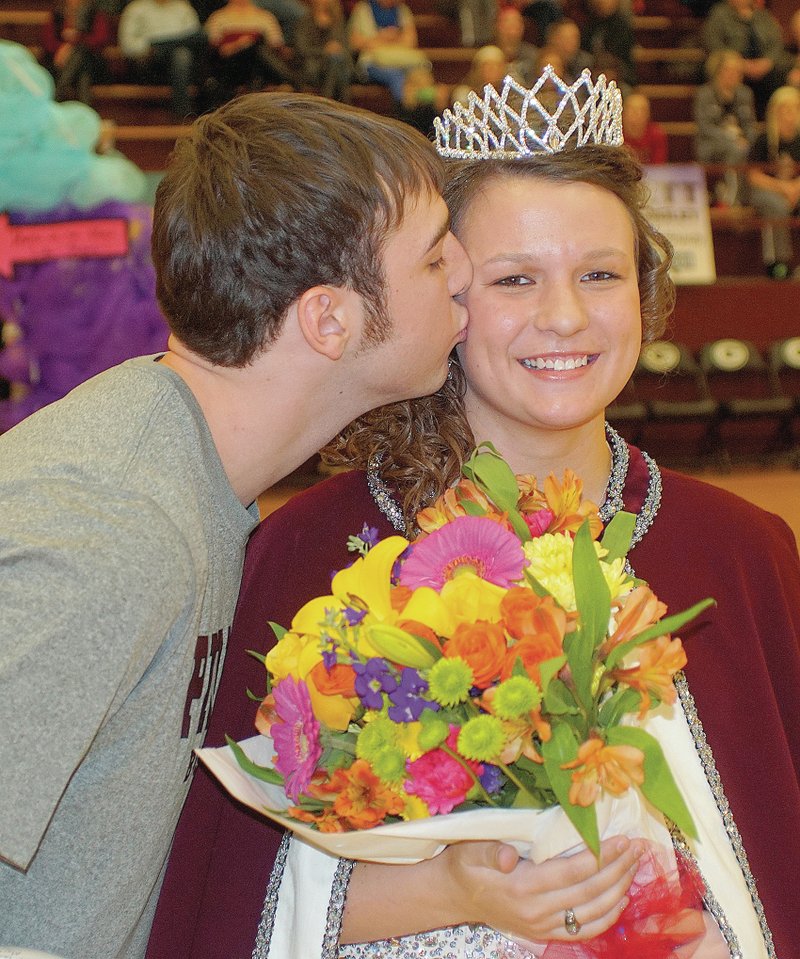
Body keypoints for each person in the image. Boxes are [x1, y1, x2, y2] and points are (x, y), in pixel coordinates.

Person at [148, 69, 799, 959]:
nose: (564, 317)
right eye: (516, 279)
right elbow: (217, 896)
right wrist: (453, 891)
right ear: (446, 302)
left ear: (644, 290)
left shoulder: (742, 556)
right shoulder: (308, 553)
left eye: (600, 273)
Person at [0, 91, 472, 959]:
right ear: (330, 319)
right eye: (436, 258)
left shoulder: (191, 472)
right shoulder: (111, 527)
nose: (467, 278)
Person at [700, 0, 792, 118]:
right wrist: (739, 63)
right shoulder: (719, 14)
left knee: (785, 71)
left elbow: (776, 43)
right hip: (733, 64)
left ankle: (776, 118)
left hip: (764, 67)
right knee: (728, 72)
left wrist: (767, 61)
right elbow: (713, 43)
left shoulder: (763, 15)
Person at [118, 0, 208, 119]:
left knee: (182, 54)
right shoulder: (136, 8)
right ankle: (183, 112)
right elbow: (127, 45)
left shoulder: (183, 8)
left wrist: (162, 45)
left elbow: (195, 40)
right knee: (178, 53)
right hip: (147, 65)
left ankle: (182, 112)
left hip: (181, 66)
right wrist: (150, 48)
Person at [746, 85, 800, 279]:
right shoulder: (763, 139)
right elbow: (753, 176)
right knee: (775, 206)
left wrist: (795, 187)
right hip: (768, 191)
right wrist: (782, 188)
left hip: (795, 190)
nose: (790, 113)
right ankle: (779, 265)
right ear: (775, 111)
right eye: (785, 108)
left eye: (795, 108)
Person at [203, 0, 299, 104]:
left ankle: (287, 80)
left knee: (259, 50)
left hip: (260, 65)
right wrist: (241, 44)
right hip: (230, 65)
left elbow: (276, 46)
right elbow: (215, 52)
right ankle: (291, 81)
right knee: (255, 49)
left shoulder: (265, 16)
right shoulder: (218, 18)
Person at [347, 0, 428, 107]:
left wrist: (386, 41)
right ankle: (405, 112)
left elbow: (410, 41)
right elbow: (355, 42)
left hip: (400, 60)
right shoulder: (363, 9)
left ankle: (423, 112)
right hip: (372, 63)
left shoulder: (402, 10)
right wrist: (383, 37)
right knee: (397, 77)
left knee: (420, 75)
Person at [41, 0, 111, 104]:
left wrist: (75, 42)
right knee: (83, 69)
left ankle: (60, 91)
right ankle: (85, 105)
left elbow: (100, 39)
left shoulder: (94, 14)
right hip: (61, 64)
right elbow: (47, 40)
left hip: (92, 63)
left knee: (82, 55)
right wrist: (61, 49)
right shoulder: (58, 14)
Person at [294, 0, 353, 102]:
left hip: (337, 66)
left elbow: (344, 47)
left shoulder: (337, 20)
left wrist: (329, 28)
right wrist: (324, 50)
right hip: (315, 66)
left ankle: (327, 99)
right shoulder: (304, 21)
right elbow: (302, 49)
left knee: (337, 60)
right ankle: (344, 103)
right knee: (336, 61)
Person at [580, 0, 637, 89]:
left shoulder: (622, 27)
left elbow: (622, 55)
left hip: (617, 71)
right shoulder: (589, 25)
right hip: (593, 68)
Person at [494, 5, 539, 86]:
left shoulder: (533, 55)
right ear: (497, 26)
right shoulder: (488, 55)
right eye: (506, 24)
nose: (511, 30)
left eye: (516, 24)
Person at [622, 89, 668, 164]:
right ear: (623, 112)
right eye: (631, 110)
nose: (636, 114)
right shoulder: (616, 135)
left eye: (641, 110)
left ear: (648, 114)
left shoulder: (656, 134)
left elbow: (659, 166)